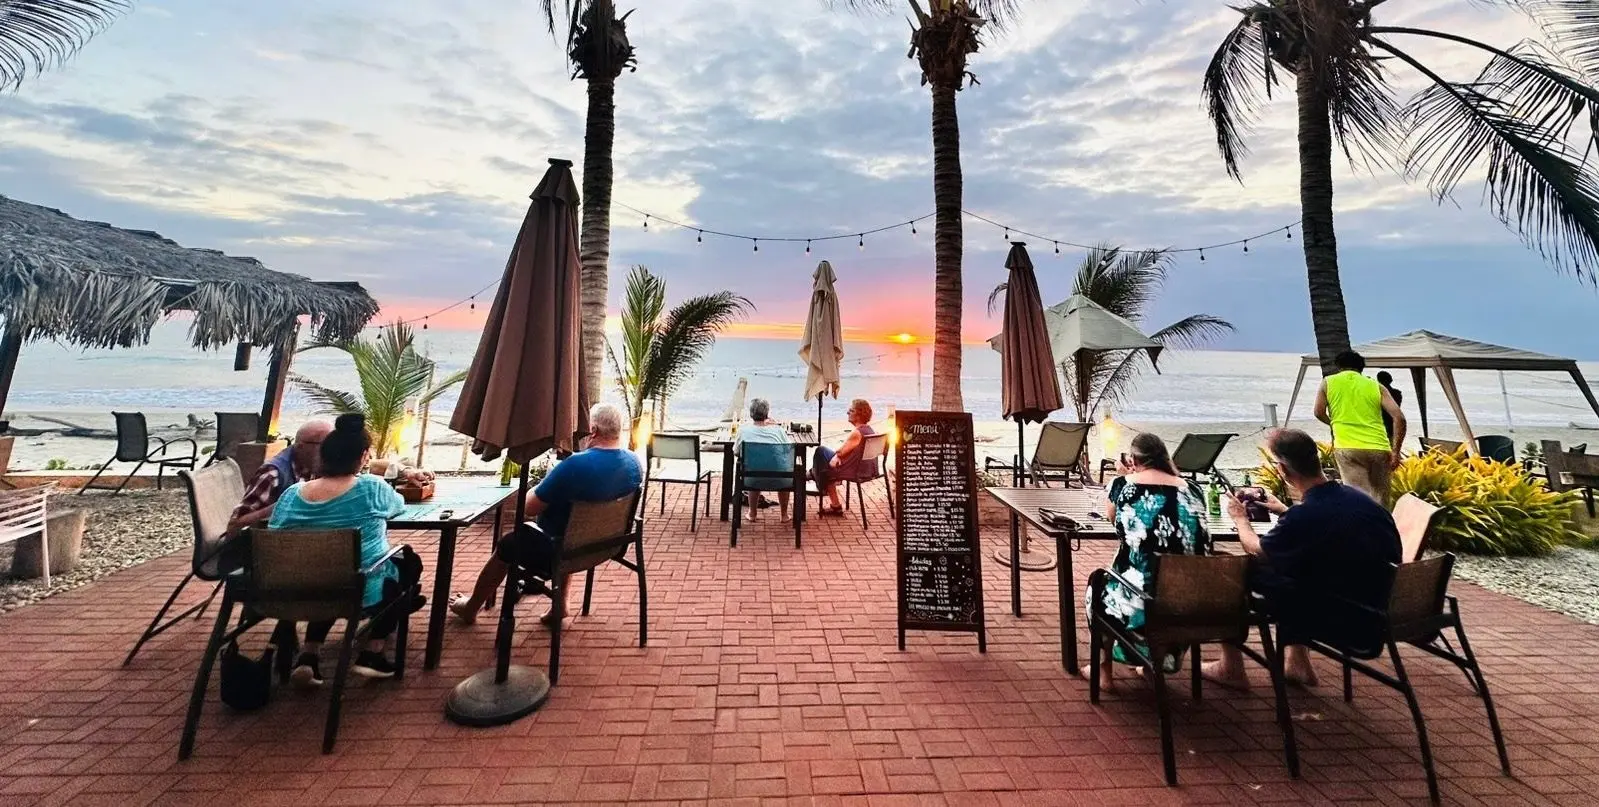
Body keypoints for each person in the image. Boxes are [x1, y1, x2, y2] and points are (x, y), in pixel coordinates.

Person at [1201, 429, 1403, 690]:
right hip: (1376, 608)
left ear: (1283, 470)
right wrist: (1285, 511)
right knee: (1300, 567)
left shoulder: (1306, 517)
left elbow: (1257, 549)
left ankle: (1231, 667)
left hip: (1344, 620)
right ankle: (1297, 664)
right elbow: (1326, 528)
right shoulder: (1358, 500)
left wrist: (1240, 519)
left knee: (1228, 571)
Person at [450, 403, 643, 627]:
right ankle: (560, 604)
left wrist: (544, 481)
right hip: (605, 546)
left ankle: (471, 607)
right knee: (566, 528)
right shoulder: (634, 462)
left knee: (508, 544)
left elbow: (528, 509)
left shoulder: (574, 465)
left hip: (561, 551)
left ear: (593, 430)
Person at [267, 414, 423, 687]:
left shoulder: (292, 493)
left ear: (324, 456)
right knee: (408, 563)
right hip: (358, 590)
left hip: (298, 588)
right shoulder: (371, 488)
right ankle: (373, 651)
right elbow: (398, 505)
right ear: (363, 456)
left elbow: (274, 533)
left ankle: (309, 656)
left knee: (326, 570)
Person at [1084, 433, 1212, 689]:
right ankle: (1153, 665)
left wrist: (1123, 476)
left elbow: (1114, 520)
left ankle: (1103, 671)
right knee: (1154, 572)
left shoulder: (1123, 485)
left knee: (1097, 587)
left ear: (1133, 459)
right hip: (1192, 600)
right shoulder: (1193, 489)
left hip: (1146, 603)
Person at [1314, 351, 1406, 502]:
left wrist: (1334, 423)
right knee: (1380, 499)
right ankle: (1381, 525)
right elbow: (1399, 418)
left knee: (1357, 498)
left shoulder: (1328, 382)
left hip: (1347, 447)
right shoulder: (1376, 386)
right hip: (1378, 448)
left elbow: (1318, 412)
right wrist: (1396, 451)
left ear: (1339, 367)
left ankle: (1360, 525)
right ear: (1361, 368)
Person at [227, 420, 332, 535]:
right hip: (272, 544)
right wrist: (282, 505)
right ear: (301, 446)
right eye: (326, 444)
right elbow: (236, 523)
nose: (332, 450)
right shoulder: (273, 473)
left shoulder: (318, 466)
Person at [811, 398, 878, 516]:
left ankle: (816, 479)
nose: (847, 412)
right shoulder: (869, 430)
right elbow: (846, 452)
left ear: (859, 414)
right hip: (867, 469)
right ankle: (813, 474)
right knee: (823, 459)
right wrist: (837, 456)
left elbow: (841, 452)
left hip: (855, 470)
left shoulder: (857, 433)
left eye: (851, 411)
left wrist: (837, 456)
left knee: (820, 453)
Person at [735, 398, 793, 521]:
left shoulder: (743, 430)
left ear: (751, 414)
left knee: (754, 467)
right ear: (767, 414)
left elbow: (736, 452)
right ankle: (784, 515)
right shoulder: (778, 430)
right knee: (782, 468)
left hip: (751, 479)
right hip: (780, 479)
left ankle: (752, 514)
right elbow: (787, 450)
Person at [1376, 371, 1404, 442]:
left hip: (1379, 425)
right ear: (1391, 380)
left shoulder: (1376, 393)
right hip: (1392, 425)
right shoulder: (1397, 393)